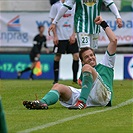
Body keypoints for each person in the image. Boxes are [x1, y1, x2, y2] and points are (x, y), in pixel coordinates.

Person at [23, 16, 117, 110]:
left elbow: (114, 40)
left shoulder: (106, 63)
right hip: (89, 96)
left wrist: (103, 23)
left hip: (104, 96)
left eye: (92, 55)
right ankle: (42, 102)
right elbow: (81, 82)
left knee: (87, 68)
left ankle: (81, 102)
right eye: (87, 57)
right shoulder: (85, 70)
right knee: (57, 86)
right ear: (82, 61)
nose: (91, 58)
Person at [48, 0, 122, 49]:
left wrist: (118, 16)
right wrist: (54, 22)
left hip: (94, 26)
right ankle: (86, 72)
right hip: (81, 26)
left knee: (91, 53)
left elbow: (110, 3)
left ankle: (90, 72)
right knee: (85, 50)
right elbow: (65, 6)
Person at [49, 0, 79, 84]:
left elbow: (77, 20)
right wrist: (55, 36)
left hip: (71, 36)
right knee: (57, 57)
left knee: (76, 56)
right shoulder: (55, 6)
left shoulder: (74, 4)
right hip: (60, 36)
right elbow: (52, 22)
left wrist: (74, 34)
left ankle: (75, 79)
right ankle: (55, 80)